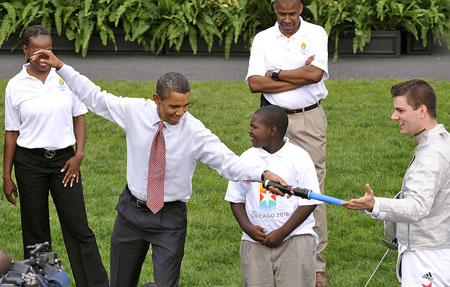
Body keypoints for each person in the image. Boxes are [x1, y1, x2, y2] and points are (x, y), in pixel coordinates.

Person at [31, 49, 288, 287]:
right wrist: (61, 66)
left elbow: (228, 163)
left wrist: (262, 174)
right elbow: (95, 97)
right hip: (131, 214)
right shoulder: (135, 111)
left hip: (170, 219)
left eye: (186, 105)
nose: (181, 113)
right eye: (174, 107)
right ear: (157, 99)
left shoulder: (194, 131)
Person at [2, 25, 109, 287]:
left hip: (65, 162)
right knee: (35, 230)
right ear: (26, 50)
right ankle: (39, 282)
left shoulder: (65, 79)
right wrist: (6, 175)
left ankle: (95, 284)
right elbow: (11, 133)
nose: (43, 57)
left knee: (78, 227)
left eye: (48, 50)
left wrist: (79, 156)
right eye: (37, 51)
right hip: (28, 164)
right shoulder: (15, 86)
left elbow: (79, 118)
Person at [245, 0, 330, 285]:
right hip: (272, 121)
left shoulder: (316, 33)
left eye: (292, 13)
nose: (287, 19)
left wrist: (277, 74)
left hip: (308, 118)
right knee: (267, 183)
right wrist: (300, 77)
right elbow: (255, 84)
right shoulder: (263, 38)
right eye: (282, 13)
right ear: (274, 9)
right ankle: (269, 246)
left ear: (301, 9)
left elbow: (315, 75)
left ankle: (315, 263)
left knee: (313, 188)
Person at [342, 79, 450, 286]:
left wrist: (375, 205)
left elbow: (418, 207)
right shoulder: (440, 141)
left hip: (428, 257)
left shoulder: (432, 154)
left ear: (421, 111)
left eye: (400, 110)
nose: (394, 117)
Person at [225, 105, 321, 287]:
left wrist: (282, 232)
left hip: (295, 238)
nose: (249, 130)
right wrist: (248, 228)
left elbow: (310, 202)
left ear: (272, 130)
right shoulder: (246, 158)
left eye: (254, 127)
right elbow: (235, 199)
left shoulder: (299, 157)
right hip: (255, 242)